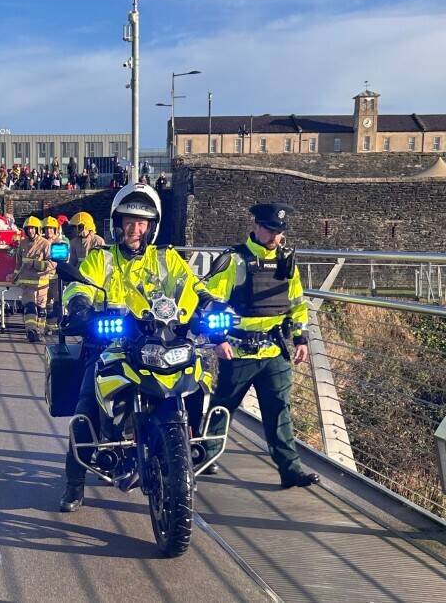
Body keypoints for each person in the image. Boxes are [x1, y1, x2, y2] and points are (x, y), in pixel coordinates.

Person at [58, 182, 206, 512]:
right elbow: (78, 286)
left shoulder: (167, 258)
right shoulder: (102, 258)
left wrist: (209, 303)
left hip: (161, 343)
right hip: (109, 346)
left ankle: (191, 448)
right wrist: (80, 304)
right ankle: (74, 483)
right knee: (85, 409)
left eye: (141, 223)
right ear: (117, 224)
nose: (134, 230)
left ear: (151, 227)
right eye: (129, 222)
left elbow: (192, 286)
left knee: (200, 381)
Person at [204, 203, 319, 489]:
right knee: (224, 407)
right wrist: (218, 340)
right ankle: (206, 456)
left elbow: (297, 303)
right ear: (255, 226)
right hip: (238, 350)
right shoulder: (233, 260)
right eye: (269, 229)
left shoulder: (286, 260)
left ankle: (290, 470)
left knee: (279, 410)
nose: (274, 237)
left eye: (279, 232)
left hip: (274, 351)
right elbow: (210, 302)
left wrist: (300, 338)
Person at [14, 216, 54, 343]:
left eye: (32, 228)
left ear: (37, 229)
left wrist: (35, 264)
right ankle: (31, 331)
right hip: (27, 285)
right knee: (29, 307)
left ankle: (39, 332)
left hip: (42, 284)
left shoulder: (45, 244)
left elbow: (51, 263)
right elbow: (18, 263)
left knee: (41, 310)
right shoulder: (23, 243)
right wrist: (15, 276)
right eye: (28, 228)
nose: (30, 230)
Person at [42, 216, 63, 334]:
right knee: (43, 303)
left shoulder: (59, 243)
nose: (48, 231)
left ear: (55, 230)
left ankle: (56, 325)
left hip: (56, 279)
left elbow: (59, 261)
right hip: (43, 278)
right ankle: (45, 326)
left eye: (51, 228)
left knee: (57, 303)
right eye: (46, 228)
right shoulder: (40, 241)